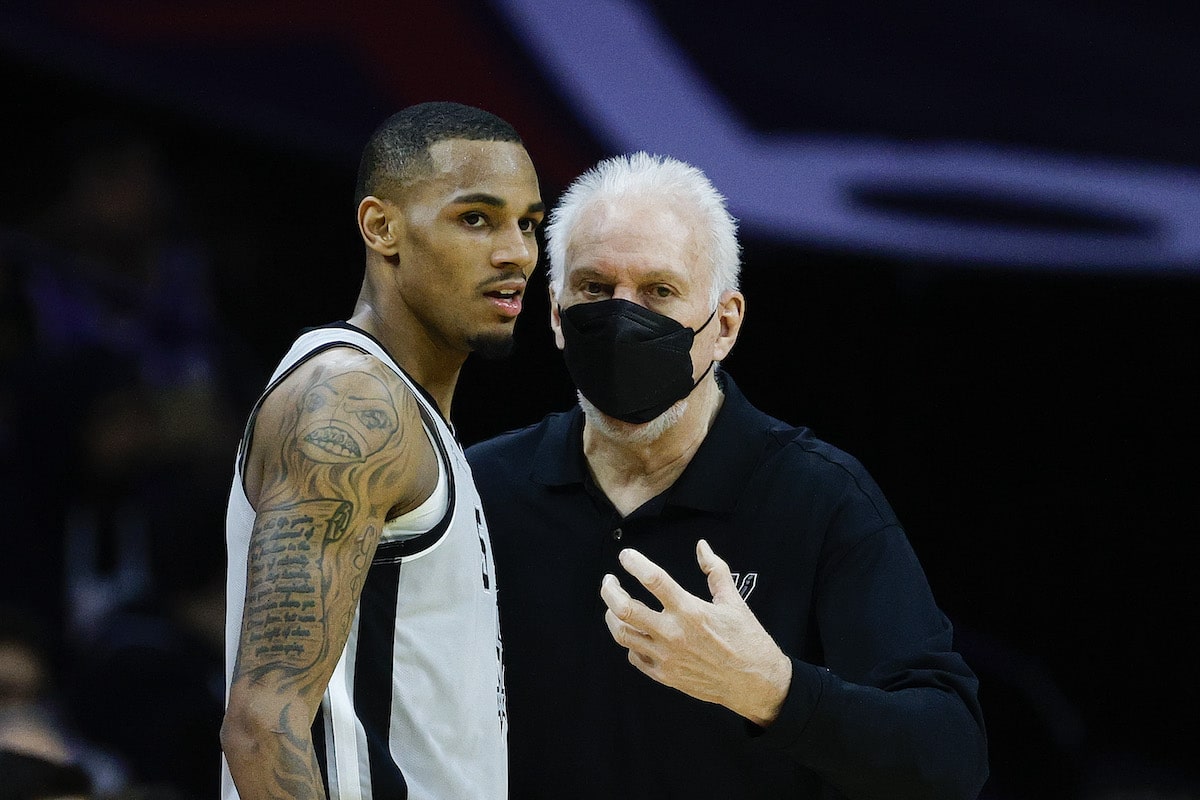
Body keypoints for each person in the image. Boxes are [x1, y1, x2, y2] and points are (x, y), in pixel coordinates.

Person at [465, 152, 989, 798]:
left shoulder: (817, 499)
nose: (624, 318)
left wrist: (771, 690)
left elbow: (949, 757)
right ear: (554, 313)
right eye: (596, 290)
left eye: (660, 291)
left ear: (725, 325)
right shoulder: (478, 493)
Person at [219, 101, 544, 800]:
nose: (516, 251)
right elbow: (260, 726)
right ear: (381, 226)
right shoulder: (350, 404)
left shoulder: (405, 413)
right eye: (476, 218)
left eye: (529, 223)